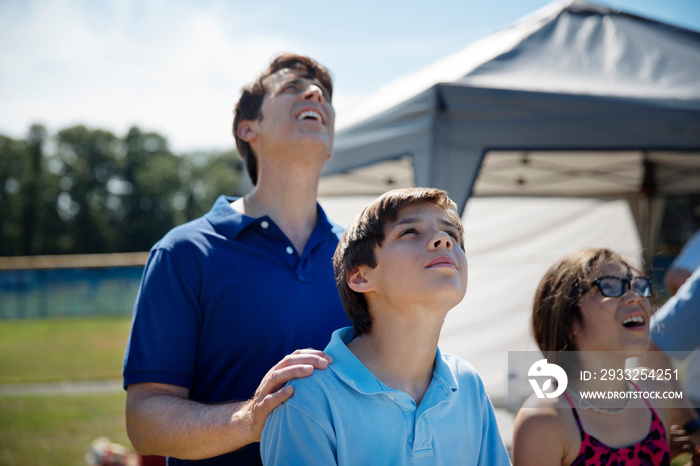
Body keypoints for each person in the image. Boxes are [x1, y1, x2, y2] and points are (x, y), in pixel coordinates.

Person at [122, 54, 351, 465]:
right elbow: (144, 423)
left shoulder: (360, 258)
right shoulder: (185, 252)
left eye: (323, 94)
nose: (315, 93)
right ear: (249, 129)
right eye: (292, 88)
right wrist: (251, 420)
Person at [260, 187, 511, 465]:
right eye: (410, 232)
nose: (443, 240)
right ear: (360, 275)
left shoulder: (467, 385)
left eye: (451, 234)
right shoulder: (307, 400)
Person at [512, 248, 673, 466]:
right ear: (568, 318)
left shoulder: (656, 390)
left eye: (637, 285)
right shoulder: (544, 420)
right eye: (610, 286)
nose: (635, 297)